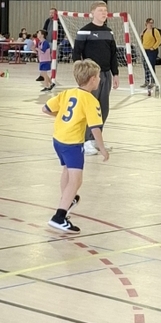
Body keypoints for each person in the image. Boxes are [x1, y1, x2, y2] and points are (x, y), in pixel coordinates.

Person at [42, 59, 109, 233]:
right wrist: (102, 149)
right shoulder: (90, 100)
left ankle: (67, 200)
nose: (100, 79)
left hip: (58, 139)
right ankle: (59, 217)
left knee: (66, 170)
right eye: (98, 77)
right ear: (92, 79)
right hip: (72, 143)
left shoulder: (67, 93)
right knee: (76, 180)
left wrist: (62, 117)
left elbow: (46, 109)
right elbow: (95, 128)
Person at [74, 3, 120, 155]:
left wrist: (115, 74)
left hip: (105, 74)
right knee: (90, 108)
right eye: (100, 10)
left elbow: (113, 54)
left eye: (105, 10)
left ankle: (96, 139)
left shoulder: (108, 32)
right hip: (91, 76)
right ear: (92, 13)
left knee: (103, 108)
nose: (104, 13)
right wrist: (81, 74)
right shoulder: (84, 31)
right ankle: (86, 140)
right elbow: (76, 54)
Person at [140, 17, 161, 88]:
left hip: (152, 51)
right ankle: (146, 81)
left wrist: (154, 47)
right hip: (145, 50)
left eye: (152, 23)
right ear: (146, 23)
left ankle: (152, 81)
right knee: (145, 66)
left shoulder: (155, 31)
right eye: (150, 23)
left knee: (151, 66)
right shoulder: (144, 31)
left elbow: (159, 40)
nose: (151, 24)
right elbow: (143, 41)